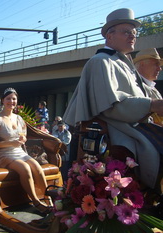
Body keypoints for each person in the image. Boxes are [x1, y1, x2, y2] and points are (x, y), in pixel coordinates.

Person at [63, 8, 163, 191]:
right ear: (109, 36)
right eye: (126, 32)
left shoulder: (123, 63)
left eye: (134, 33)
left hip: (131, 128)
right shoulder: (101, 61)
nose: (132, 36)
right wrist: (153, 105)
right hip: (119, 133)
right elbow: (112, 107)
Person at [0, 88, 52, 214]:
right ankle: (35, 201)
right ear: (2, 101)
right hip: (4, 154)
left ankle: (48, 198)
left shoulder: (19, 118)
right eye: (8, 98)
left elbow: (23, 136)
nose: (11, 101)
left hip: (19, 152)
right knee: (25, 169)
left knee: (37, 167)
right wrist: (10, 143)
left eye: (14, 99)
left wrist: (23, 138)